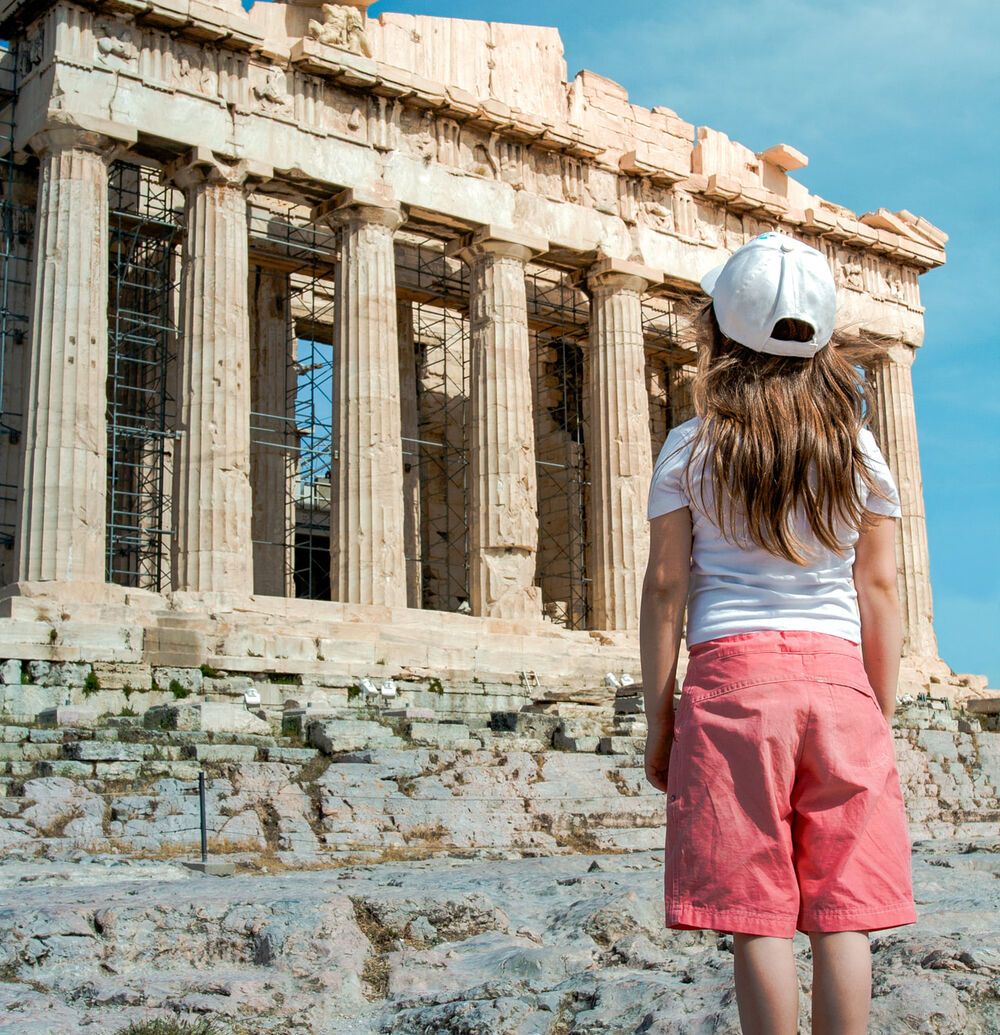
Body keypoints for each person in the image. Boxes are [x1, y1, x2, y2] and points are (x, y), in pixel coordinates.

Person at [639, 231, 918, 1035]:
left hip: (731, 678)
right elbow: (879, 586)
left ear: (719, 332)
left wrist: (662, 716)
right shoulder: (860, 451)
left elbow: (666, 587)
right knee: (845, 908)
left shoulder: (690, 446)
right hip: (840, 678)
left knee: (754, 912)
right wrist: (878, 707)